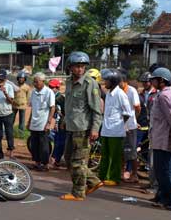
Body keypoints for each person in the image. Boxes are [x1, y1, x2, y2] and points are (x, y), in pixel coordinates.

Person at [60, 51, 104, 201]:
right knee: (67, 158)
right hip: (71, 127)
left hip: (83, 129)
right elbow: (70, 104)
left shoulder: (90, 84)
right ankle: (93, 181)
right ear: (70, 67)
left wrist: (95, 129)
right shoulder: (68, 82)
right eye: (77, 66)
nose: (80, 69)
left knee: (78, 162)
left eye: (82, 66)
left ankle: (78, 192)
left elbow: (97, 109)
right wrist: (64, 120)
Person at [149, 67, 171, 210]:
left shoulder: (164, 96)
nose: (151, 82)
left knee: (164, 169)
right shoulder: (165, 94)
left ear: (161, 80)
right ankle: (161, 195)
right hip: (159, 136)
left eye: (154, 79)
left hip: (164, 137)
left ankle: (168, 200)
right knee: (161, 168)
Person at [98, 69, 132, 186]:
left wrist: (119, 124)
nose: (104, 83)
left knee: (115, 156)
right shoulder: (108, 94)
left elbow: (127, 113)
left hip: (116, 131)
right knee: (105, 155)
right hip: (106, 130)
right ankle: (102, 176)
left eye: (106, 80)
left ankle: (114, 177)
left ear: (113, 81)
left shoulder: (120, 94)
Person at [27, 72, 55, 171]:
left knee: (44, 146)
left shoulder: (49, 92)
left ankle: (45, 164)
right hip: (34, 123)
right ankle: (37, 162)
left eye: (37, 81)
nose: (35, 83)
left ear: (43, 81)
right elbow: (33, 108)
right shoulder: (33, 92)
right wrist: (29, 121)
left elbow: (52, 108)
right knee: (34, 145)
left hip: (43, 123)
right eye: (34, 81)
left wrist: (48, 123)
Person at [119, 70, 141, 183]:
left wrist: (134, 119)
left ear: (125, 81)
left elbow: (137, 108)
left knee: (132, 152)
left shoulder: (132, 91)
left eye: (120, 81)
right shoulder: (117, 91)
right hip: (119, 126)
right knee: (122, 151)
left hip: (130, 126)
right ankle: (121, 173)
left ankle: (135, 174)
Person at [0, 69, 15, 159]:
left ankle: (11, 150)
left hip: (7, 113)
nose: (0, 81)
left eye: (2, 79)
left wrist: (5, 92)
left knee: (9, 133)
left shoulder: (9, 87)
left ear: (5, 79)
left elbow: (11, 101)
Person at [48, 78, 66, 168]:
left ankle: (56, 160)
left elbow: (64, 112)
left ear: (57, 88)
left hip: (62, 123)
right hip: (56, 123)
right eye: (49, 86)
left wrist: (60, 122)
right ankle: (55, 158)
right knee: (57, 141)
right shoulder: (52, 96)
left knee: (60, 142)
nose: (51, 88)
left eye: (52, 87)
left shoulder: (60, 98)